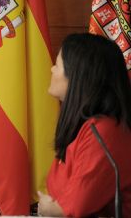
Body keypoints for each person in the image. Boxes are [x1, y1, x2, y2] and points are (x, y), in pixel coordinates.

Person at [37, 33, 131, 217]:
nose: (51, 69)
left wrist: (49, 209)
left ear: (78, 76)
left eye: (58, 64)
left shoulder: (104, 130)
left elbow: (70, 210)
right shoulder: (86, 126)